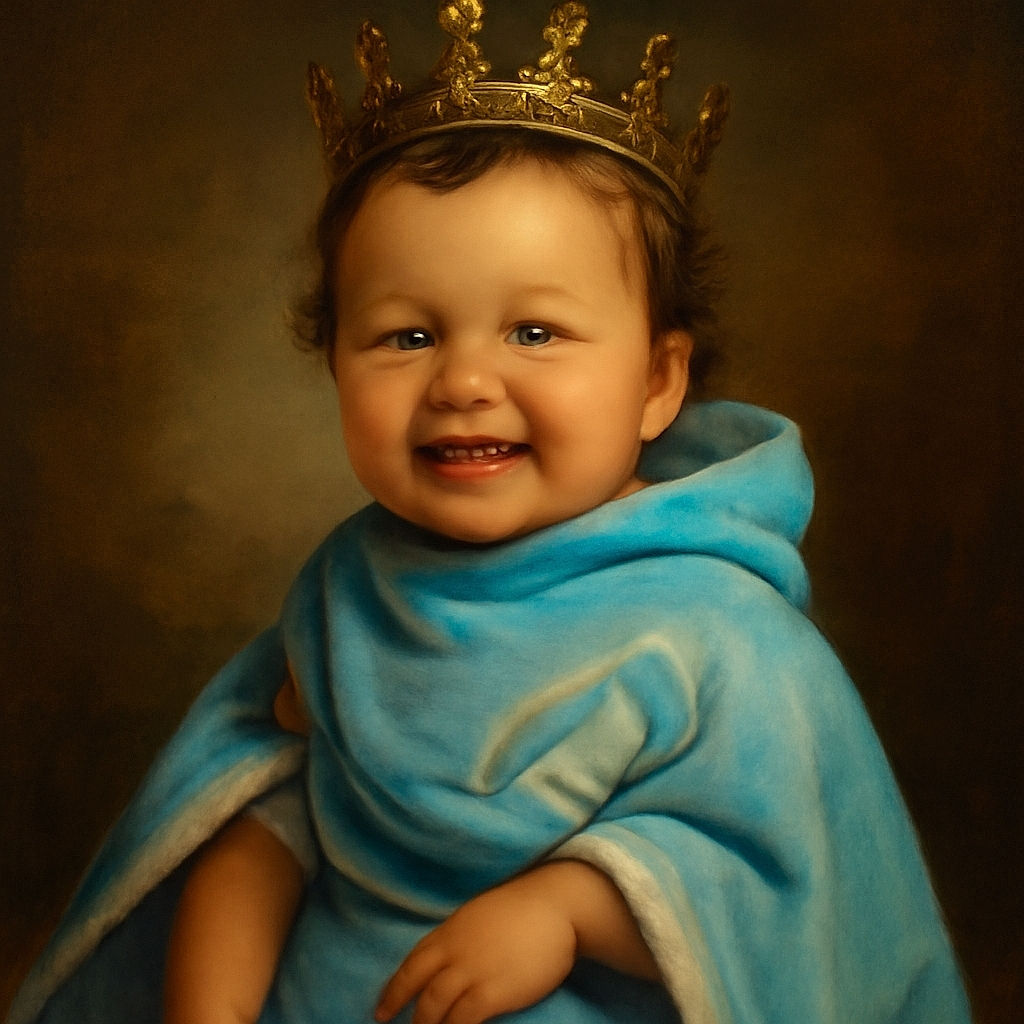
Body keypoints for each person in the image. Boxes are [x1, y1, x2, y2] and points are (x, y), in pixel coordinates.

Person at [7, 4, 970, 1024]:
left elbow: (784, 889)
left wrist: (568, 909)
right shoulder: (346, 595)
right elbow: (264, 830)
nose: (465, 380)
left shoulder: (724, 638)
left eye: (536, 330)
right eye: (407, 335)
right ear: (332, 365)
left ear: (656, 379)